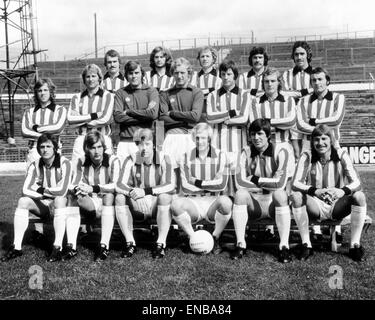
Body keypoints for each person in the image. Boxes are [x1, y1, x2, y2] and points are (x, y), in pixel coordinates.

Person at [290, 124, 367, 262]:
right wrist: (315, 191)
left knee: (359, 196)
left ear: (331, 140)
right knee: (296, 196)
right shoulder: (306, 155)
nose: (320, 143)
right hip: (315, 205)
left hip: (337, 204)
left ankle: (355, 245)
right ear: (312, 141)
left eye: (324, 138)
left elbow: (357, 183)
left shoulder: (341, 154)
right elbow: (295, 183)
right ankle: (306, 244)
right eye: (316, 139)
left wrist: (341, 191)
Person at [1, 134, 71, 262]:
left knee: (60, 199)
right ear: (38, 149)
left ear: (55, 148)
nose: (45, 149)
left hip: (61, 206)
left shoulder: (65, 163)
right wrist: (43, 194)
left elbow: (62, 191)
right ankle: (16, 247)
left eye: (48, 146)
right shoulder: (35, 164)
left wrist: (40, 190)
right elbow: (25, 189)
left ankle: (57, 247)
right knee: (23, 201)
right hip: (43, 204)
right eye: (42, 146)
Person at [233, 119, 292, 262]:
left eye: (260, 134)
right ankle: (241, 244)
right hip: (255, 203)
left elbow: (280, 184)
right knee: (240, 194)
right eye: (253, 134)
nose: (256, 138)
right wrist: (269, 181)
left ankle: (284, 246)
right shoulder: (245, 151)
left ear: (268, 135)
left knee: (280, 194)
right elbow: (239, 182)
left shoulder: (281, 150)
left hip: (274, 202)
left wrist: (253, 178)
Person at [170, 123, 232, 255]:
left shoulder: (221, 155)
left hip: (213, 202)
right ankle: (192, 237)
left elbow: (222, 185)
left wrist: (197, 182)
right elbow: (186, 186)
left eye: (203, 138)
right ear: (193, 138)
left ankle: (215, 237)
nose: (200, 141)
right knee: (175, 205)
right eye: (197, 138)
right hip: (193, 202)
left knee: (226, 202)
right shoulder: (185, 156)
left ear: (209, 138)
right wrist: (211, 183)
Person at [115, 128, 176, 258]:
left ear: (153, 144)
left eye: (147, 144)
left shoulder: (165, 158)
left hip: (155, 202)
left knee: (165, 197)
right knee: (120, 197)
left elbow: (170, 185)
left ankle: (161, 243)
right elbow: (119, 184)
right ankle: (130, 242)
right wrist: (133, 193)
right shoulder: (131, 159)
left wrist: (145, 191)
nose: (144, 148)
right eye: (140, 144)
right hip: (138, 202)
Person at [250, 67, 296, 238]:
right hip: (263, 147)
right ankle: (267, 227)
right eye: (266, 81)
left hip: (283, 145)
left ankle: (285, 226)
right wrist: (274, 124)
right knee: (265, 183)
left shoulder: (288, 101)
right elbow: (253, 123)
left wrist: (266, 123)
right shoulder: (256, 101)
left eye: (272, 81)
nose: (269, 84)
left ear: (279, 83)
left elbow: (290, 121)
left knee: (285, 187)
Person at [21, 78, 67, 238]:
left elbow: (58, 128)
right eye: (39, 90)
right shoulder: (29, 112)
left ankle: (61, 223)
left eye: (46, 90)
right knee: (32, 185)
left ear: (51, 92)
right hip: (34, 150)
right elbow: (24, 132)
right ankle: (38, 229)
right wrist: (46, 133)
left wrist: (36, 128)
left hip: (54, 150)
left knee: (57, 184)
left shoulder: (60, 110)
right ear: (36, 93)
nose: (42, 93)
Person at [66, 130, 120, 261]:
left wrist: (93, 188)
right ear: (86, 148)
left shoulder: (113, 160)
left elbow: (116, 185)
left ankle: (104, 246)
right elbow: (72, 184)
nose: (97, 151)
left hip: (109, 203)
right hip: (91, 201)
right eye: (93, 148)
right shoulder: (81, 161)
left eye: (99, 147)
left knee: (109, 195)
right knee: (72, 197)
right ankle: (71, 246)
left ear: (104, 147)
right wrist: (79, 188)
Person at [206, 60, 251, 196]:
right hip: (218, 142)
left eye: (229, 74)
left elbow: (244, 118)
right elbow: (209, 117)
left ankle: (238, 208)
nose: (226, 77)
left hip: (238, 142)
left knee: (238, 178)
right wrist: (231, 113)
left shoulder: (244, 94)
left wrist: (223, 120)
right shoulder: (212, 95)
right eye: (223, 74)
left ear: (235, 75)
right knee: (220, 177)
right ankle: (222, 211)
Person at [159, 57, 204, 166]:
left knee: (190, 173)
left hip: (191, 137)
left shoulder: (196, 92)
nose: (179, 76)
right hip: (171, 137)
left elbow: (195, 116)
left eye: (182, 73)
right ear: (173, 74)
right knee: (171, 174)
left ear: (189, 73)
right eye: (176, 73)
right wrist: (186, 121)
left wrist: (173, 113)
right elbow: (163, 118)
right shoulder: (165, 94)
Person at [113, 60, 159, 163]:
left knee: (143, 176)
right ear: (126, 75)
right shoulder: (121, 93)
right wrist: (144, 114)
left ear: (142, 73)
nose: (134, 76)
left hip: (144, 142)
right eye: (130, 73)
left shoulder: (151, 91)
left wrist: (129, 112)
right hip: (125, 141)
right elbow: (118, 117)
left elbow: (153, 114)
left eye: (136, 73)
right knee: (123, 177)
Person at [68, 64, 114, 165]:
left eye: (93, 76)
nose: (90, 79)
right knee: (77, 170)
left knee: (105, 171)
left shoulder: (108, 96)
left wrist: (80, 119)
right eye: (87, 76)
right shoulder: (76, 97)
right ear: (84, 79)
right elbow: (71, 121)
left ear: (99, 78)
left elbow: (106, 119)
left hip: (102, 137)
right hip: (82, 138)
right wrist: (95, 116)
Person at [282, 40, 314, 160]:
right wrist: (305, 92)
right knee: (297, 153)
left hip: (310, 116)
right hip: (294, 116)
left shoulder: (315, 73)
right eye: (296, 54)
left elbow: (316, 91)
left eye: (302, 54)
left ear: (308, 55)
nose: (299, 57)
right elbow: (284, 94)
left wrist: (294, 93)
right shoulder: (287, 74)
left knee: (310, 152)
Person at [190, 46, 222, 122]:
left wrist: (201, 92)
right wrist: (210, 90)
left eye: (208, 56)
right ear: (199, 59)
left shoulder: (219, 75)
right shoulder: (195, 76)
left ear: (213, 58)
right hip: (200, 115)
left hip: (215, 114)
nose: (205, 59)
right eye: (202, 56)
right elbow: (192, 94)